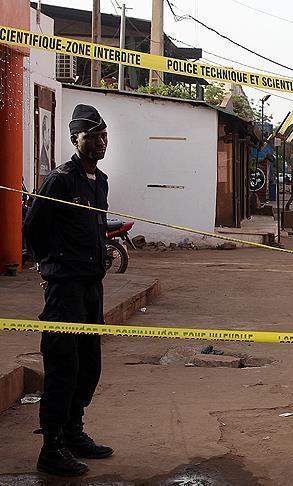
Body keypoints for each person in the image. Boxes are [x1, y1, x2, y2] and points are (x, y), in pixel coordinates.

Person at [23, 104, 113, 477]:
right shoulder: (60, 180)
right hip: (65, 288)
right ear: (76, 140)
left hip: (92, 285)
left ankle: (74, 432)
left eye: (104, 135)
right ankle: (52, 447)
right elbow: (34, 228)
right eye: (92, 136)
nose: (100, 142)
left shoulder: (100, 181)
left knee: (89, 365)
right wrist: (49, 267)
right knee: (63, 366)